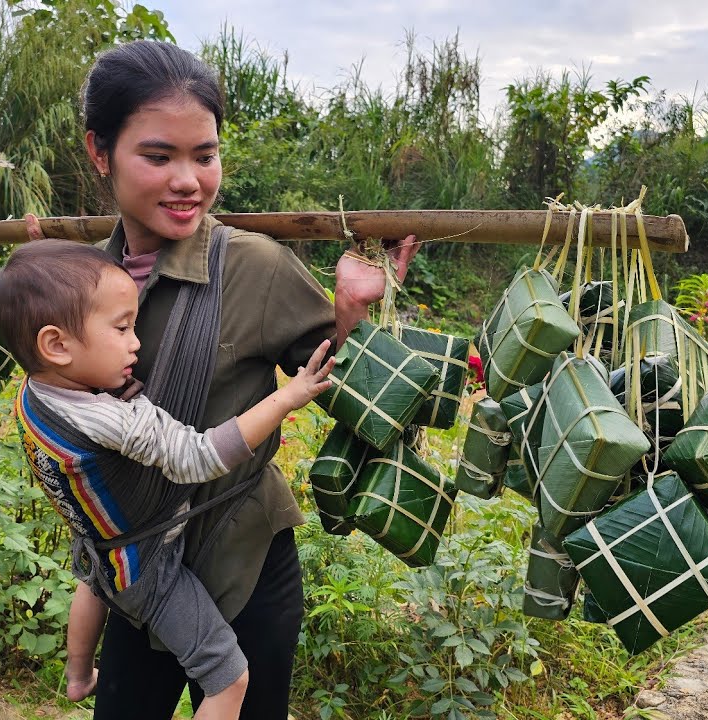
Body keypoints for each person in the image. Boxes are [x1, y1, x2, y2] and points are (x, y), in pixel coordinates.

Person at [24, 39, 417, 719]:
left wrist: (351, 312)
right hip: (139, 569)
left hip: (245, 556)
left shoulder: (256, 266)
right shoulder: (77, 284)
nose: (188, 181)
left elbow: (322, 369)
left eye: (204, 156)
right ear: (99, 152)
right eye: (158, 156)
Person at [0, 239, 336, 717]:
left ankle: (76, 676)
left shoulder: (37, 391)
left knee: (94, 581)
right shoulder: (112, 419)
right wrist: (286, 398)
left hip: (94, 539)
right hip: (144, 563)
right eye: (122, 328)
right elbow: (197, 456)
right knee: (230, 677)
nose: (137, 342)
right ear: (56, 344)